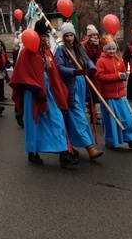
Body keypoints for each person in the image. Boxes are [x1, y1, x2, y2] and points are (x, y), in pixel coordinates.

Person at [11, 20, 77, 166]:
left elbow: (54, 74)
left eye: (46, 35)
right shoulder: (26, 52)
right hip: (32, 93)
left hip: (48, 92)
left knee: (56, 119)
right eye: (42, 35)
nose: (45, 38)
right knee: (33, 122)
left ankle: (63, 153)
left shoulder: (46, 51)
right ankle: (32, 152)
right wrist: (34, 89)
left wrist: (60, 93)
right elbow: (21, 74)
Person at [54, 22, 102, 160]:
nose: (69, 38)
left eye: (71, 35)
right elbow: (60, 67)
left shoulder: (79, 48)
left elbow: (86, 61)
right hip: (70, 85)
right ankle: (89, 147)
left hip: (81, 84)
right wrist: (74, 71)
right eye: (67, 35)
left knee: (74, 116)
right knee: (78, 117)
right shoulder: (61, 50)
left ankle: (69, 145)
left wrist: (92, 68)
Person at [95, 36, 132, 149]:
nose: (111, 51)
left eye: (113, 49)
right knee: (111, 120)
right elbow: (100, 76)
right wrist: (116, 76)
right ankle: (111, 140)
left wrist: (123, 76)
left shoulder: (119, 60)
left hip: (120, 94)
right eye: (109, 49)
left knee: (128, 118)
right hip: (108, 95)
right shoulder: (101, 61)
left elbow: (124, 72)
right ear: (104, 50)